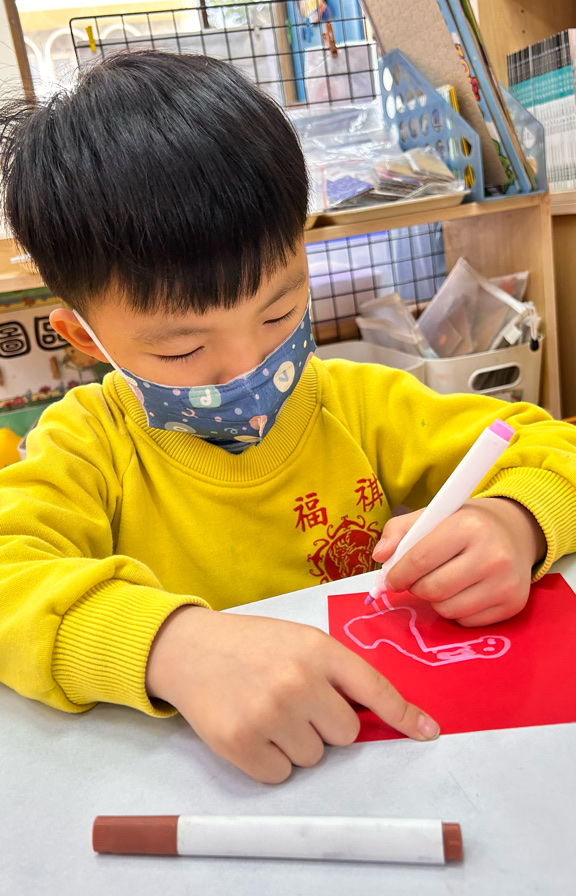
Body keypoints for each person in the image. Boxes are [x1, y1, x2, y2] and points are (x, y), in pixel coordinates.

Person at [0, 51, 574, 784]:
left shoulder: (357, 402)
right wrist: (169, 646)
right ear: (86, 338)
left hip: (384, 759)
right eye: (182, 349)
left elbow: (553, 447)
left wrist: (516, 522)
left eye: (279, 312)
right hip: (204, 783)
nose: (249, 366)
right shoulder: (89, 445)